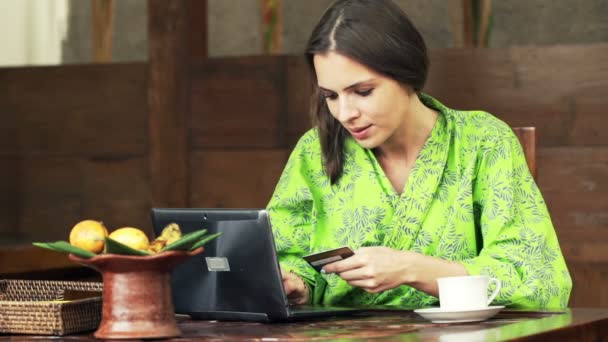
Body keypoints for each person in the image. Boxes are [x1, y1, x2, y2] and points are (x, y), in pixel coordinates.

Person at [266, 0, 572, 309]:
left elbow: (537, 280)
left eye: (362, 92)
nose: (345, 113)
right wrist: (297, 284)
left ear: (406, 74)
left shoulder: (483, 142)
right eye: (330, 96)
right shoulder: (314, 151)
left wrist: (412, 269)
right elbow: (287, 257)